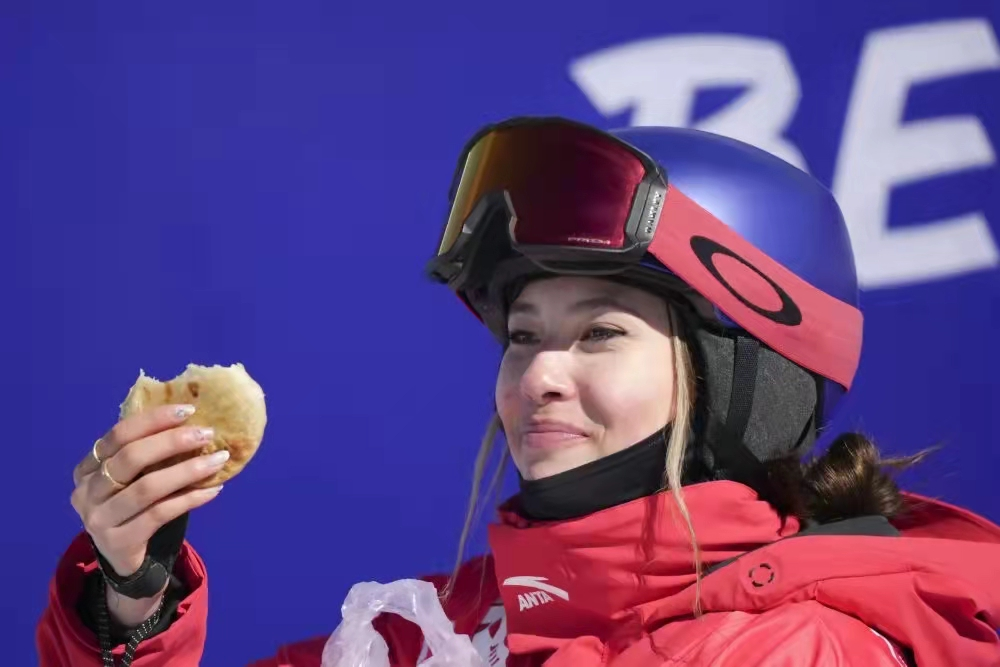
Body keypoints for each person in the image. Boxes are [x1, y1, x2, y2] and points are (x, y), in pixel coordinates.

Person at [38, 117, 1000, 667]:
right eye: (523, 334)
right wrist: (132, 600)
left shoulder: (798, 650)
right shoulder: (429, 633)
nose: (537, 373)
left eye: (602, 333)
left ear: (751, 374)